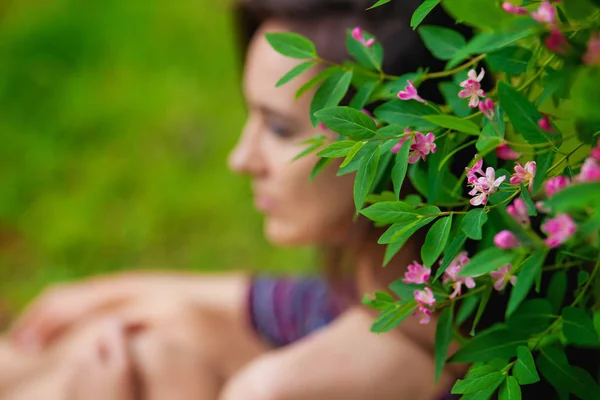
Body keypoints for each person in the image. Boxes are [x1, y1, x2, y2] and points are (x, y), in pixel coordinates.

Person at [1, 0, 469, 398]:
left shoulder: (273, 389)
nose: (241, 158)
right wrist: (119, 293)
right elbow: (308, 306)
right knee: (148, 328)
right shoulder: (439, 283)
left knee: (149, 357)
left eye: (279, 129)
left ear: (402, 143)